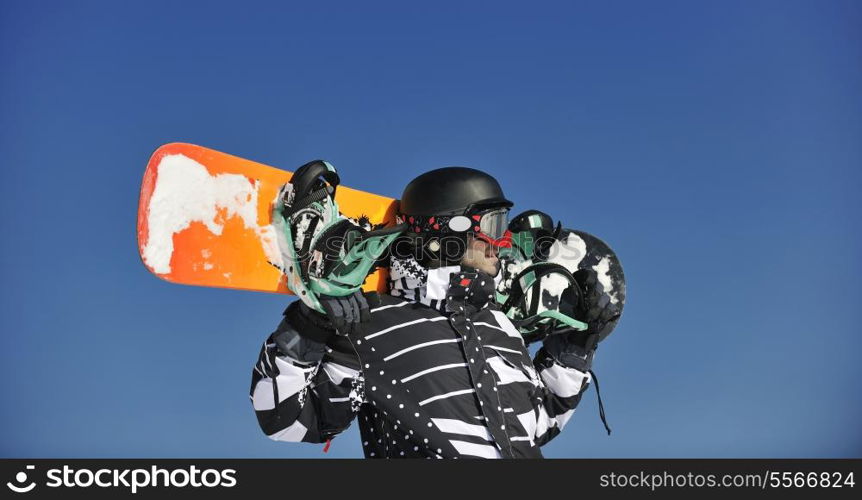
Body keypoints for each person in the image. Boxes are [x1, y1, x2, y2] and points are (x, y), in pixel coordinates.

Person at [250, 167, 599, 458]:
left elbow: (537, 425)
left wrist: (575, 348)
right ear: (447, 227)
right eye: (493, 225)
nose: (503, 242)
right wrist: (308, 325)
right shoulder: (372, 325)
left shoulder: (501, 327)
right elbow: (287, 420)